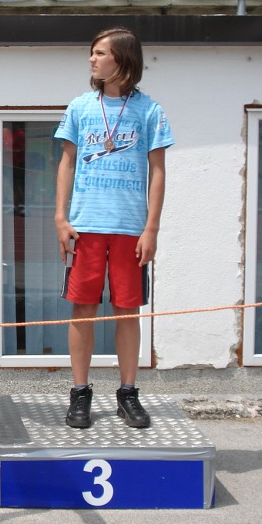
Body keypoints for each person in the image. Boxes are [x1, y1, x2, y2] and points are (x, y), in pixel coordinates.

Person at [54, 27, 174, 430]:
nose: (92, 59)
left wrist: (151, 228)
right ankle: (80, 392)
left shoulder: (150, 111)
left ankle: (127, 392)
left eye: (100, 52)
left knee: (127, 310)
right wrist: (60, 217)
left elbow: (158, 172)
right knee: (82, 308)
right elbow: (67, 163)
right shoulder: (80, 107)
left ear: (122, 59)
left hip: (129, 228)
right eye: (91, 52)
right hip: (85, 226)